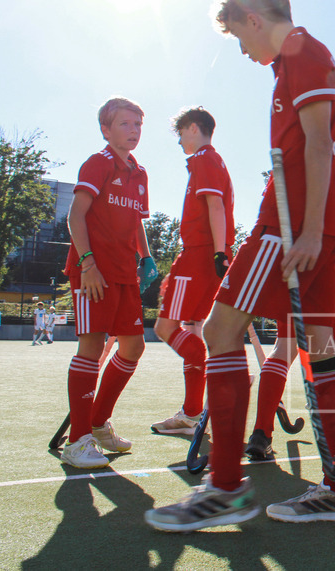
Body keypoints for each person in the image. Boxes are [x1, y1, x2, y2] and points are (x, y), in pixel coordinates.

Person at [145, 0, 335, 531]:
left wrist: (311, 231)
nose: (244, 52)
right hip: (305, 229)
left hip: (287, 230)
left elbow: (319, 146)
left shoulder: (302, 53)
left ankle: (225, 488)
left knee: (219, 335)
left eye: (240, 39)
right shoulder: (296, 61)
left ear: (253, 18)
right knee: (320, 350)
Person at [245, 90, 335, 461]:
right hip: (328, 268)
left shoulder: (294, 143)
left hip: (286, 255)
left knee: (284, 349)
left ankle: (260, 432)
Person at [62, 97, 157, 469]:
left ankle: (98, 423)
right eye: (125, 124)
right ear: (106, 129)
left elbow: (137, 223)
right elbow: (76, 216)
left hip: (124, 273)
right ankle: (77, 441)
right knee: (91, 346)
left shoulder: (140, 172)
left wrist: (146, 257)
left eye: (137, 125)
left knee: (133, 347)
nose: (133, 131)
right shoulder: (97, 163)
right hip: (93, 273)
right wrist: (87, 264)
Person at [151, 107, 235, 437]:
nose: (178, 140)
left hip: (199, 255)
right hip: (204, 256)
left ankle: (194, 410)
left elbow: (215, 206)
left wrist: (218, 253)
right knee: (192, 327)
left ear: (194, 128)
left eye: (180, 132)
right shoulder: (208, 161)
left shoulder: (205, 158)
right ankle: (192, 412)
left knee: (165, 327)